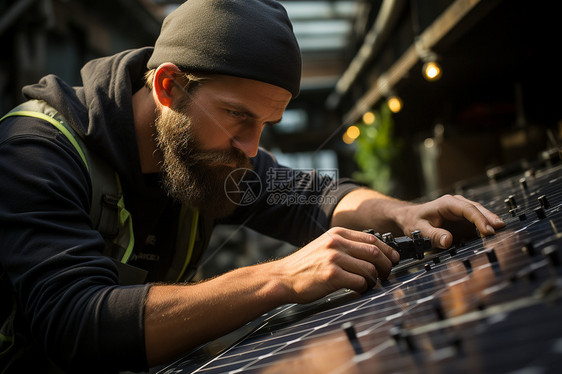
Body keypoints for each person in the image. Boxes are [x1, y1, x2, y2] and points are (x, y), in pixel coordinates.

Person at [0, 0, 504, 372]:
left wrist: (401, 214)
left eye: (266, 124)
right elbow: (75, 323)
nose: (249, 146)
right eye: (237, 116)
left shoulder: (207, 152)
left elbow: (313, 198)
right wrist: (280, 278)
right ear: (168, 87)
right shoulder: (35, 152)